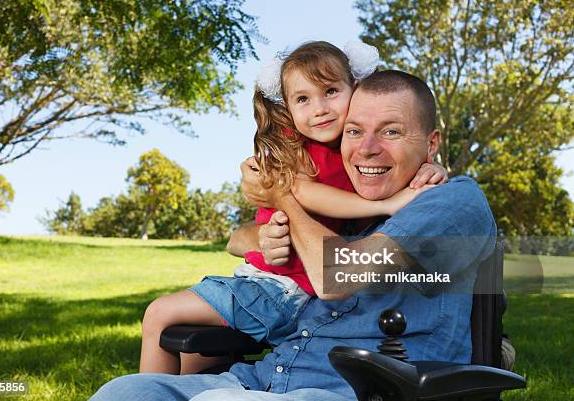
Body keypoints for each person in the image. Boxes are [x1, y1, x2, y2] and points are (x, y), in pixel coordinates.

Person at [91, 70, 496, 401]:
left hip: (355, 390)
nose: (367, 149)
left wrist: (284, 194)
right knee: (128, 390)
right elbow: (239, 240)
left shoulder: (452, 199)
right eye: (354, 132)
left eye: (390, 132)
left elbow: (336, 278)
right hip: (262, 379)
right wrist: (267, 236)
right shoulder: (346, 204)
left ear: (431, 143)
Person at [139, 42, 447, 374]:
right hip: (267, 276)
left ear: (354, 89)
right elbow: (283, 203)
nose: (320, 108)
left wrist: (429, 172)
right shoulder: (295, 147)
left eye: (330, 91)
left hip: (282, 288)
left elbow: (299, 195)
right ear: (287, 106)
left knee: (159, 314)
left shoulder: (358, 150)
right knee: (189, 364)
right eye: (303, 99)